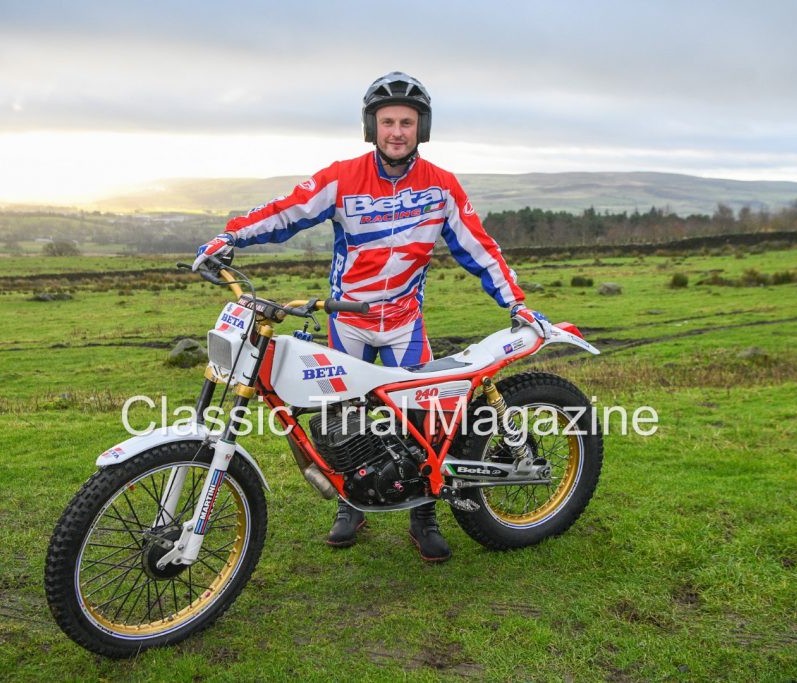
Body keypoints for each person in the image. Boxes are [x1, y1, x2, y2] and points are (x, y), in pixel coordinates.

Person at [193, 71, 552, 562]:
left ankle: (423, 516)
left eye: (407, 122)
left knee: (425, 420)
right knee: (342, 417)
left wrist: (516, 303)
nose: (397, 132)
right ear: (372, 127)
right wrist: (231, 236)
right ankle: (350, 505)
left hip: (405, 322)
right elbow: (287, 211)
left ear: (421, 129)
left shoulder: (442, 186)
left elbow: (479, 247)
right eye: (388, 122)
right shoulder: (343, 178)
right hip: (349, 321)